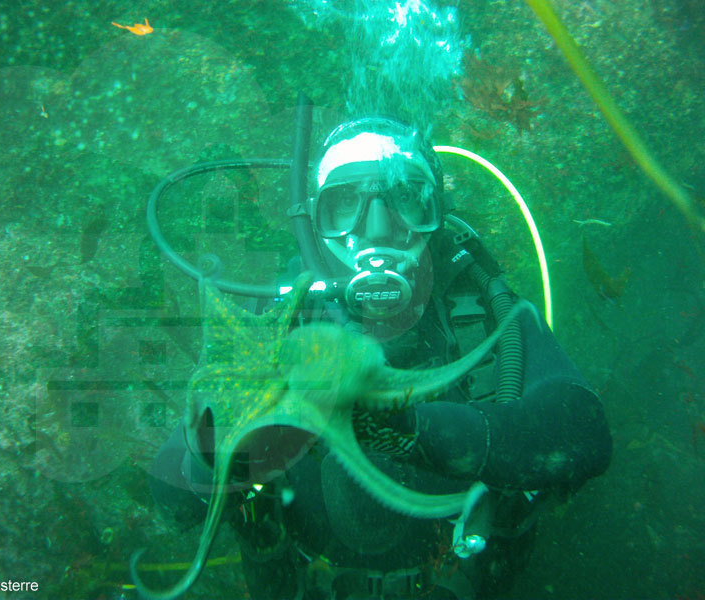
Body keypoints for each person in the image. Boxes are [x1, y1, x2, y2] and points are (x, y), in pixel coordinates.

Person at [148, 117, 612, 600]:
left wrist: (410, 429)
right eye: (344, 204)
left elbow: (584, 433)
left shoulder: (483, 312)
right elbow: (171, 500)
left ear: (437, 213)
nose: (376, 229)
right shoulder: (278, 321)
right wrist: (219, 448)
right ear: (316, 222)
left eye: (405, 199)